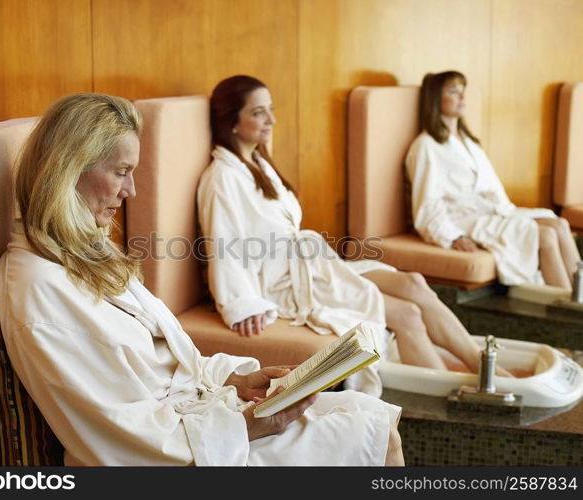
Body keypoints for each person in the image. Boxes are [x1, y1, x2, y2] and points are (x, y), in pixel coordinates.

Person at [0, 92, 403, 466]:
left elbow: (166, 363)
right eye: (121, 172)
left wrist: (236, 379)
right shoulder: (40, 291)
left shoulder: (81, 251)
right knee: (374, 434)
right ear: (69, 170)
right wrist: (247, 426)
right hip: (182, 454)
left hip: (201, 418)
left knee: (369, 412)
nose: (131, 191)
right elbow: (117, 432)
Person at [197, 75, 512, 389]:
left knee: (414, 284)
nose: (272, 120)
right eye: (258, 113)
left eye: (271, 109)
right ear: (232, 121)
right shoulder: (223, 178)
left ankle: (483, 366)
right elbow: (222, 245)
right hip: (284, 286)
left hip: (312, 267)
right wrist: (242, 303)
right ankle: (451, 396)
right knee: (406, 315)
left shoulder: (257, 164)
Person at [406, 70, 581, 289]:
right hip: (463, 220)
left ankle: (580, 296)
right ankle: (568, 311)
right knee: (544, 235)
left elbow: (493, 188)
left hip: (493, 212)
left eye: (463, 91)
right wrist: (452, 237)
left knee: (560, 225)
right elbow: (426, 206)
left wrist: (510, 214)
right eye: (453, 91)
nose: (462, 97)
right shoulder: (426, 147)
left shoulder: (469, 142)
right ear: (434, 99)